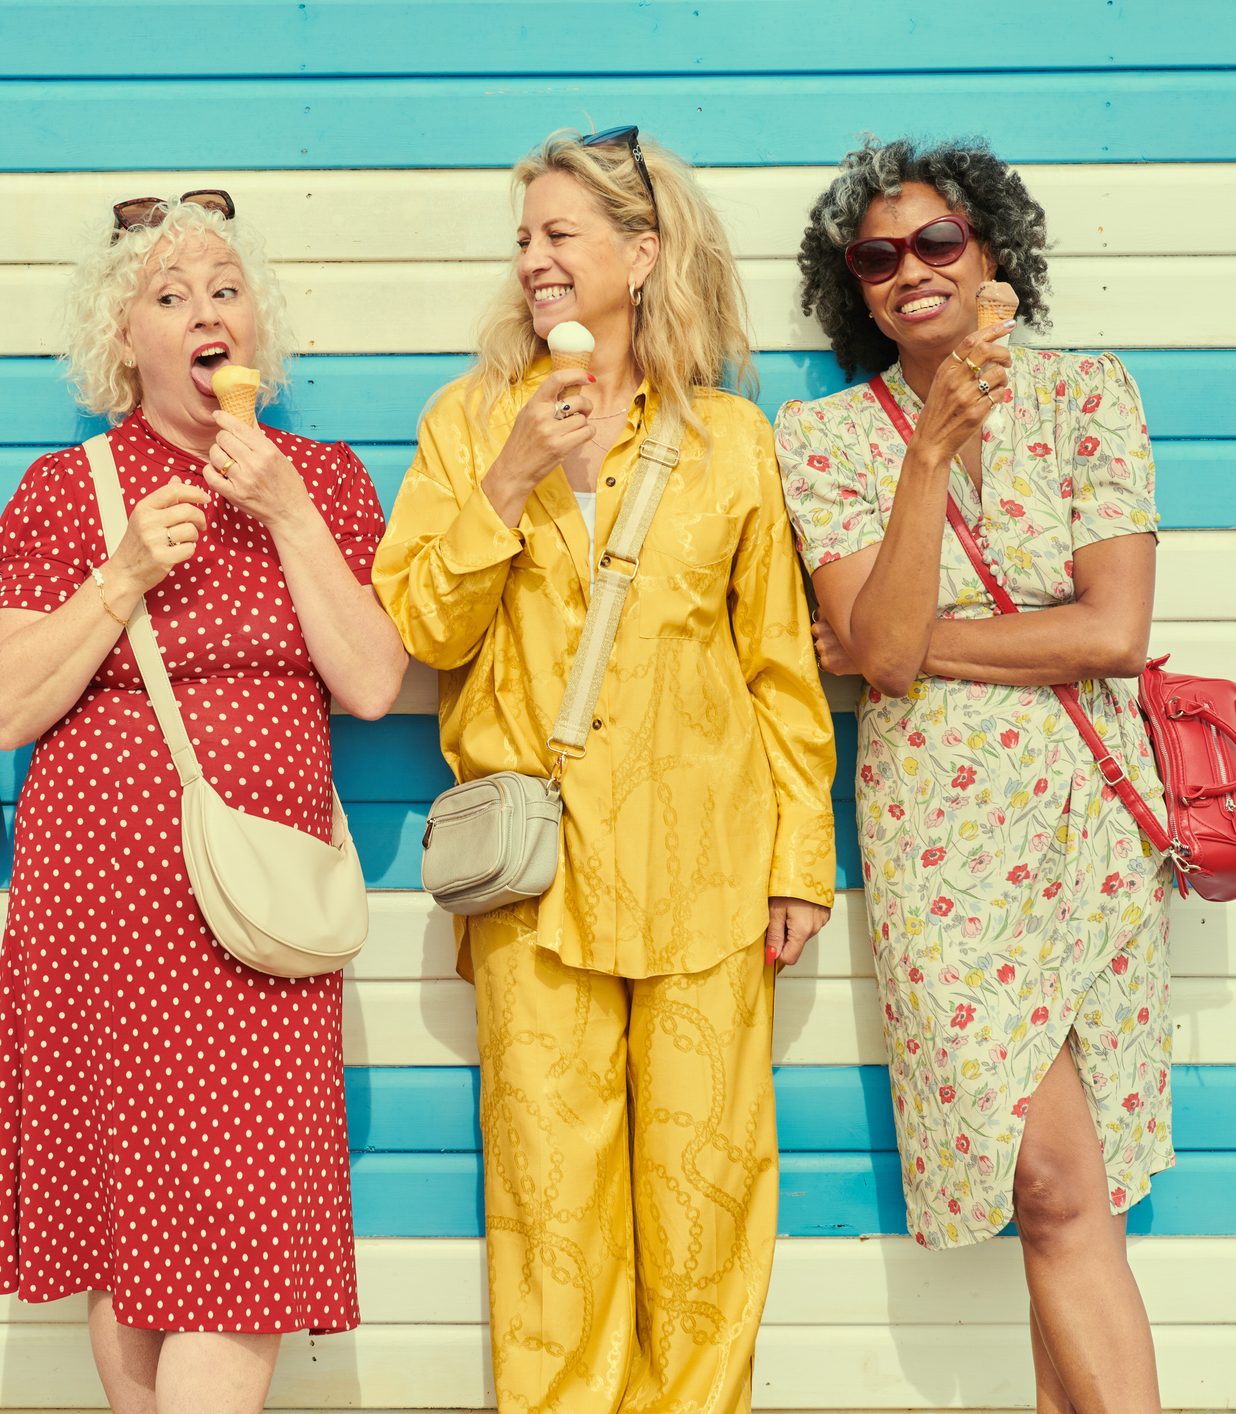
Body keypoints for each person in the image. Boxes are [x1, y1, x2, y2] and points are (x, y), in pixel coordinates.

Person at [373, 129, 838, 1413]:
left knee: (706, 1211)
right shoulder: (468, 421)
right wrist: (510, 476)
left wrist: (801, 858)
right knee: (552, 1225)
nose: (532, 259)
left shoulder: (734, 440)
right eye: (523, 237)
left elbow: (780, 671)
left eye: (559, 235)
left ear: (641, 256)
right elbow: (422, 626)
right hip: (535, 884)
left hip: (707, 874)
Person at [0, 191, 409, 1414]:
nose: (206, 310)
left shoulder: (320, 477)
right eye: (170, 296)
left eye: (225, 287)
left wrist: (286, 514)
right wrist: (124, 575)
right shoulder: (68, 492)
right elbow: (2, 709)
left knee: (240, 1244)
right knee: (128, 1232)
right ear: (123, 344)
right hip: (104, 917)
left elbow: (372, 683)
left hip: (256, 919)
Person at [774, 136, 1172, 1414]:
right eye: (878, 258)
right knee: (1046, 1182)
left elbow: (1109, 630)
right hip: (943, 851)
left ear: (993, 250)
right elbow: (875, 663)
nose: (911, 272)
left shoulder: (1088, 396)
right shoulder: (829, 438)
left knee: (1081, 1187)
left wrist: (918, 643)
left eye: (937, 241)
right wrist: (930, 456)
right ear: (858, 290)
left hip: (1090, 827)